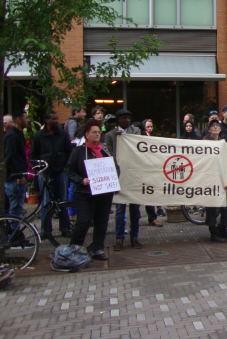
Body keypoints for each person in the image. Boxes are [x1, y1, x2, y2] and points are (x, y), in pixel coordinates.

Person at [65, 121, 116, 260]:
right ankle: (75, 248)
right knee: (84, 221)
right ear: (86, 134)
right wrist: (81, 180)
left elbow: (115, 167)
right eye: (94, 132)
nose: (98, 134)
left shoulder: (105, 150)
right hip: (85, 193)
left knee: (102, 221)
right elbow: (69, 170)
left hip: (104, 193)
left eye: (99, 132)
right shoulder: (79, 151)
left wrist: (114, 177)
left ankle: (98, 248)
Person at [105, 109, 147, 250]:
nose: (127, 120)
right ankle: (119, 238)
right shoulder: (110, 135)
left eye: (129, 117)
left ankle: (134, 237)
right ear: (118, 120)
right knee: (120, 209)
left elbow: (137, 146)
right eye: (124, 118)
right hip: (120, 174)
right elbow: (109, 153)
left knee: (135, 208)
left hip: (133, 174)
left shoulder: (135, 131)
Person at [29, 111, 72, 237]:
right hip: (45, 172)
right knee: (46, 202)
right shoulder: (39, 135)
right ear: (46, 120)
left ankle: (65, 228)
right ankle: (45, 230)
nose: (56, 121)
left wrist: (65, 166)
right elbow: (33, 154)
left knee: (63, 201)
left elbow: (69, 151)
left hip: (60, 171)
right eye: (53, 119)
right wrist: (37, 168)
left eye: (57, 118)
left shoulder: (63, 134)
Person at [203, 119, 227, 242]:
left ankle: (223, 228)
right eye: (213, 125)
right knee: (212, 206)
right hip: (211, 178)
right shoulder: (206, 143)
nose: (216, 127)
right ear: (209, 129)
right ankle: (213, 231)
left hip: (222, 178)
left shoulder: (224, 143)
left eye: (217, 125)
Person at [4, 110, 29, 223]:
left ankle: (15, 234)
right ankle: (14, 235)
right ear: (18, 120)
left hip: (15, 176)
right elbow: (10, 157)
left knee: (17, 208)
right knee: (15, 208)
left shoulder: (16, 135)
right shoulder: (13, 136)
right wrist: (19, 175)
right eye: (26, 118)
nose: (28, 120)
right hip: (14, 178)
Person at [141, 119, 165, 217]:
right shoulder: (142, 137)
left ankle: (159, 208)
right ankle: (152, 216)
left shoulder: (153, 137)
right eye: (148, 127)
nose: (150, 129)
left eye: (151, 126)